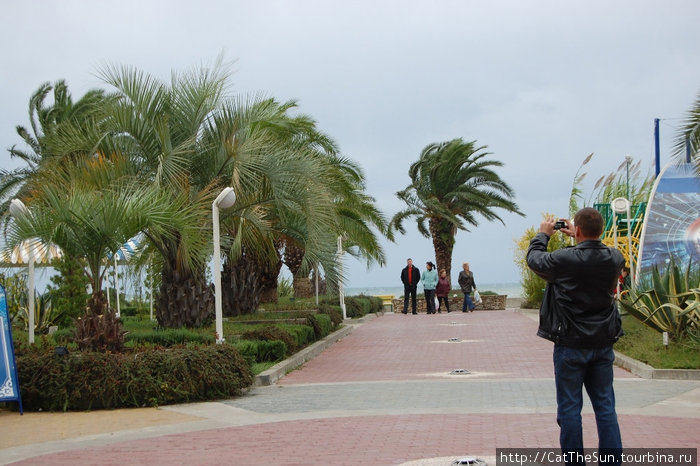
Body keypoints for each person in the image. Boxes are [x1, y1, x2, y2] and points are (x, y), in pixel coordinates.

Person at [526, 208, 624, 465]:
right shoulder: (615, 257)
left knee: (570, 409)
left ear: (577, 229)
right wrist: (579, 238)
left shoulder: (564, 260)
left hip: (570, 344)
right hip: (602, 343)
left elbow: (535, 259)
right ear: (601, 230)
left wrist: (543, 235)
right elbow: (590, 256)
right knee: (605, 406)